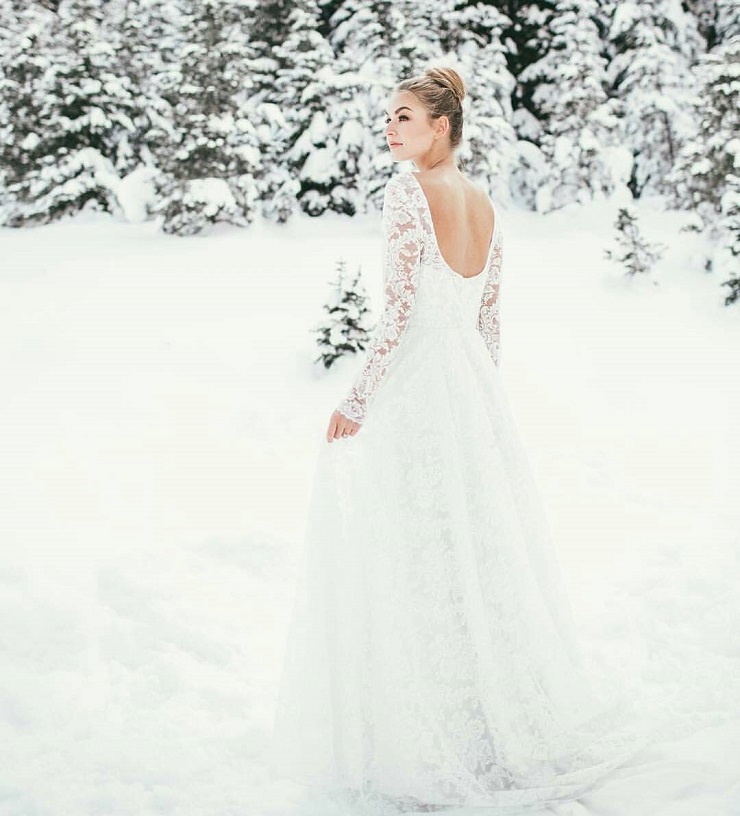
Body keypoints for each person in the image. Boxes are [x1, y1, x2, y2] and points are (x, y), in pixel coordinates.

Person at [268, 67, 655, 814]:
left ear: (440, 126)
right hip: (471, 394)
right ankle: (485, 721)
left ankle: (437, 734)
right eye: (389, 117)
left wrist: (355, 399)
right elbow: (488, 324)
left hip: (418, 389)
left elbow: (400, 313)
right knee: (472, 555)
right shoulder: (485, 204)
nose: (391, 129)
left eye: (405, 117)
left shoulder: (408, 193)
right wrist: (483, 412)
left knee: (416, 555)